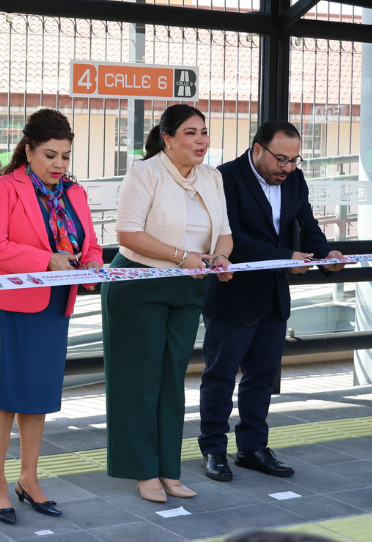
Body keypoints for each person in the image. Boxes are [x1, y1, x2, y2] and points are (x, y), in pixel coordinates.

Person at [0, 109, 103, 525]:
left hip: (53, 306)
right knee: (2, 398)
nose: (59, 165)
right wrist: (48, 260)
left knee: (37, 397)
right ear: (28, 151)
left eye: (65, 156)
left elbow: (91, 242)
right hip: (8, 307)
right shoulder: (1, 187)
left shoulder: (75, 193)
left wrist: (93, 269)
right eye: (50, 155)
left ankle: (29, 477)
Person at [103, 103, 233, 504]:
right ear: (168, 138)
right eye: (191, 133)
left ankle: (168, 470)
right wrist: (181, 256)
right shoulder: (145, 172)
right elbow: (128, 233)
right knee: (140, 382)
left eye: (204, 132)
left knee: (172, 382)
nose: (201, 140)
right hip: (140, 283)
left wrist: (221, 258)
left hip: (188, 287)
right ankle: (143, 470)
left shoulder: (211, 177)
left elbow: (224, 232)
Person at [201, 122, 344, 482]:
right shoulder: (225, 178)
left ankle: (252, 447)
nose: (288, 168)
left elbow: (308, 225)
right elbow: (232, 237)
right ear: (257, 149)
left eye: (295, 160)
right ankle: (214, 450)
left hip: (274, 297)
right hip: (233, 294)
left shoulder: (294, 180)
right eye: (281, 159)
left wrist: (327, 254)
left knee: (262, 377)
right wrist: (286, 257)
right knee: (220, 377)